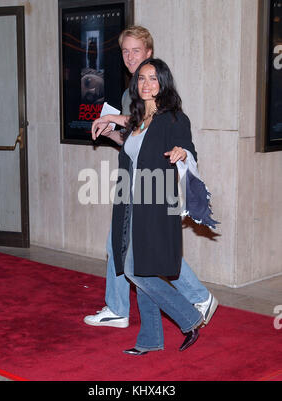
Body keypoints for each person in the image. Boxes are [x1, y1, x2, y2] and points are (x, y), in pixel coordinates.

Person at [84, 26, 218, 329]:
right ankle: (128, 314)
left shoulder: (162, 104)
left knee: (145, 250)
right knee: (127, 248)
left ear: (149, 54)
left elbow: (174, 136)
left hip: (152, 190)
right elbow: (134, 144)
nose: (130, 57)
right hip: (131, 186)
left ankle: (189, 302)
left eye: (136, 51)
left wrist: (181, 152)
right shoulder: (130, 93)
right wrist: (113, 134)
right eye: (125, 51)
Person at [114, 57, 203, 354]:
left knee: (135, 270)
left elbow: (186, 148)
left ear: (163, 83)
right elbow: (134, 154)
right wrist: (113, 131)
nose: (146, 84)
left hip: (156, 202)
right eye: (141, 78)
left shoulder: (173, 117)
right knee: (144, 269)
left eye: (153, 78)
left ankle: (189, 317)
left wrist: (182, 153)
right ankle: (150, 339)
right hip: (132, 203)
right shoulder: (138, 119)